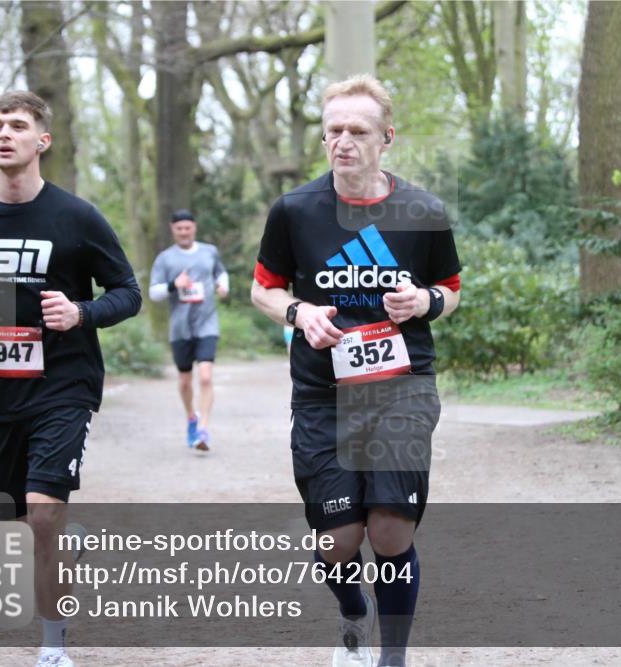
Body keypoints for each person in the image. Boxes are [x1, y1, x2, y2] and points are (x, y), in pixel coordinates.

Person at [251, 74, 461, 667]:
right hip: (324, 395)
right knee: (338, 543)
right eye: (334, 130)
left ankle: (393, 658)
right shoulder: (294, 211)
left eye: (358, 131)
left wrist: (423, 301)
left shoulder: (422, 210)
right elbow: (263, 289)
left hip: (401, 390)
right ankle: (351, 610)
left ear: (386, 138)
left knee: (391, 532)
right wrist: (299, 313)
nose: (343, 141)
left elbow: (450, 289)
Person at [0, 90, 142, 667]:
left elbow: (128, 293)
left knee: (44, 513)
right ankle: (64, 545)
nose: (4, 133)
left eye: (18, 126)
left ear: (42, 140)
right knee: (19, 526)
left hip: (62, 384)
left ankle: (52, 647)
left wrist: (81, 313)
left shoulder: (76, 217)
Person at [148, 209, 229, 450]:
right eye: (179, 228)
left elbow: (221, 272)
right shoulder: (165, 259)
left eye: (187, 228)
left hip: (207, 324)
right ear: (173, 230)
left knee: (205, 376)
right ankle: (191, 417)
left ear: (194, 228)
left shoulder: (209, 251)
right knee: (185, 381)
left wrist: (223, 286)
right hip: (180, 329)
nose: (184, 232)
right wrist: (174, 284)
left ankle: (203, 429)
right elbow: (153, 293)